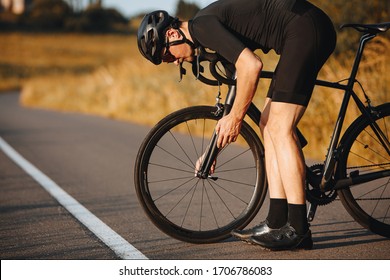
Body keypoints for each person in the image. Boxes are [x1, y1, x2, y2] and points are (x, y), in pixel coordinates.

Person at [137, 0, 336, 250]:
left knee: (279, 127)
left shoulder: (201, 27)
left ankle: (298, 228)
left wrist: (236, 118)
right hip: (297, 32)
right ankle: (276, 222)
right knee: (267, 124)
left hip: (306, 27)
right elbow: (237, 87)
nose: (174, 62)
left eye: (166, 55)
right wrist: (213, 152)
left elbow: (251, 66)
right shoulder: (205, 33)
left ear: (173, 34)